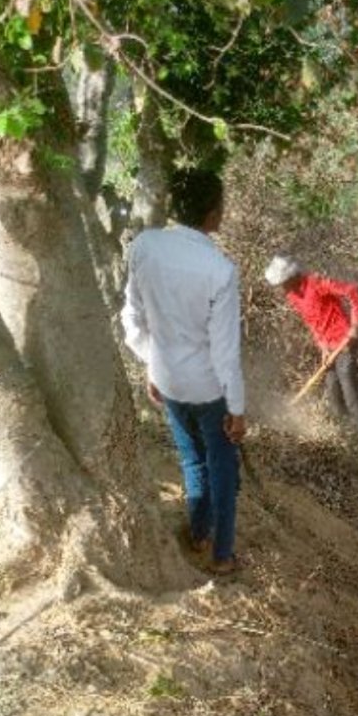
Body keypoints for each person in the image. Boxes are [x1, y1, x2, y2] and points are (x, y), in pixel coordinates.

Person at [121, 168, 246, 576]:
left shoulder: (144, 246)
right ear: (213, 213)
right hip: (209, 387)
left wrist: (152, 366)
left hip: (169, 382)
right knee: (223, 468)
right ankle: (223, 555)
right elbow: (226, 351)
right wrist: (238, 408)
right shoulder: (220, 270)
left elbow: (132, 319)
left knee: (193, 461)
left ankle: (198, 532)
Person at [264, 254, 358, 439]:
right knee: (332, 391)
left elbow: (353, 291)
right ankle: (344, 435)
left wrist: (354, 326)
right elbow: (312, 323)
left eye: (282, 282)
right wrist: (323, 348)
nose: (281, 287)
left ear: (292, 276)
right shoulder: (292, 296)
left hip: (345, 342)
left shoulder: (317, 283)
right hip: (329, 347)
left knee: (348, 387)